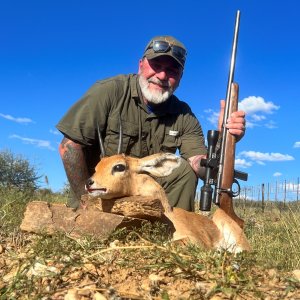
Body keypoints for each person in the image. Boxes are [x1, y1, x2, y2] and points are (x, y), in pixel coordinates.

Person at [56, 35, 246, 211]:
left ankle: (173, 231)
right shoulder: (109, 91)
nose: (162, 76)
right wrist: (86, 204)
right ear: (141, 65)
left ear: (180, 77)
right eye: (156, 65)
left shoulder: (184, 114)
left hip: (147, 198)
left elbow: (200, 166)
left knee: (184, 170)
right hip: (101, 197)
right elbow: (69, 148)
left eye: (172, 70)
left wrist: (224, 139)